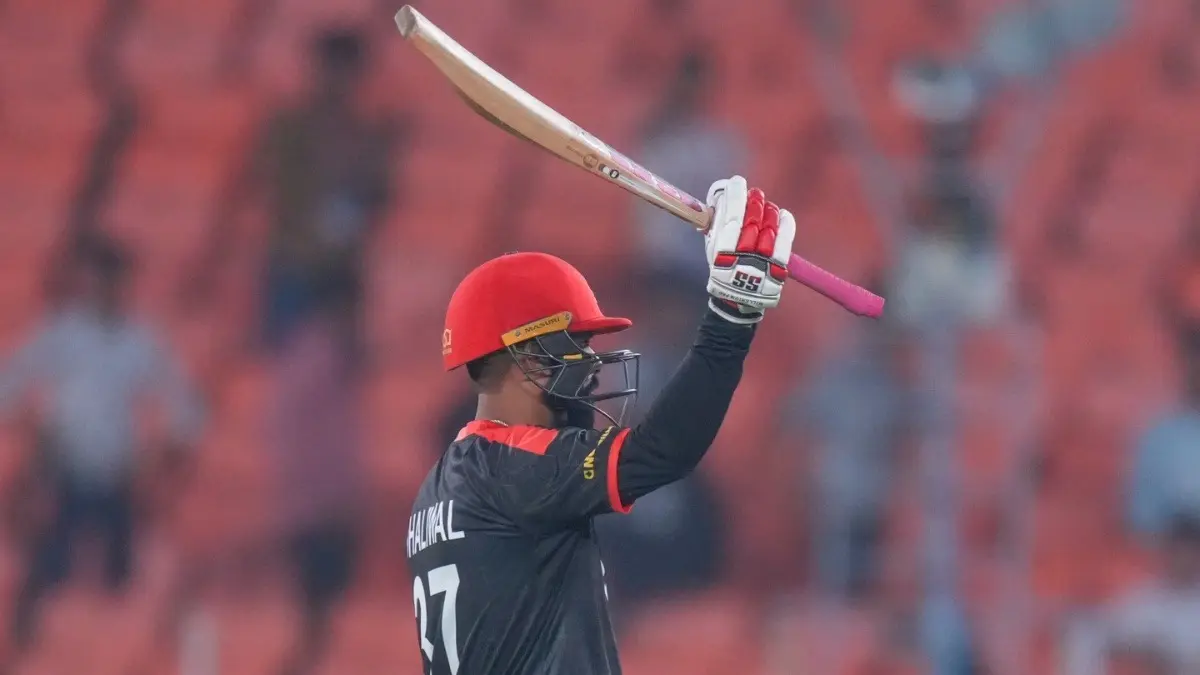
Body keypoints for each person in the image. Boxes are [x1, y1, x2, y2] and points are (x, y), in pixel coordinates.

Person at [407, 176, 796, 675]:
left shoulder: (439, 488)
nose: (592, 362)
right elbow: (661, 453)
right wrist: (730, 318)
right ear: (526, 354)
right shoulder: (511, 466)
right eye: (575, 343)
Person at [0, 237, 204, 650]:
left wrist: (160, 452)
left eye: (109, 280)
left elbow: (187, 408)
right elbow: (9, 384)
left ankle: (110, 655)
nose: (100, 289)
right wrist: (32, 427)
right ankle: (31, 653)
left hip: (117, 477)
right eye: (93, 279)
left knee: (116, 583)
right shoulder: (61, 333)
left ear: (123, 284)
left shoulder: (141, 342)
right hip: (64, 472)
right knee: (48, 574)